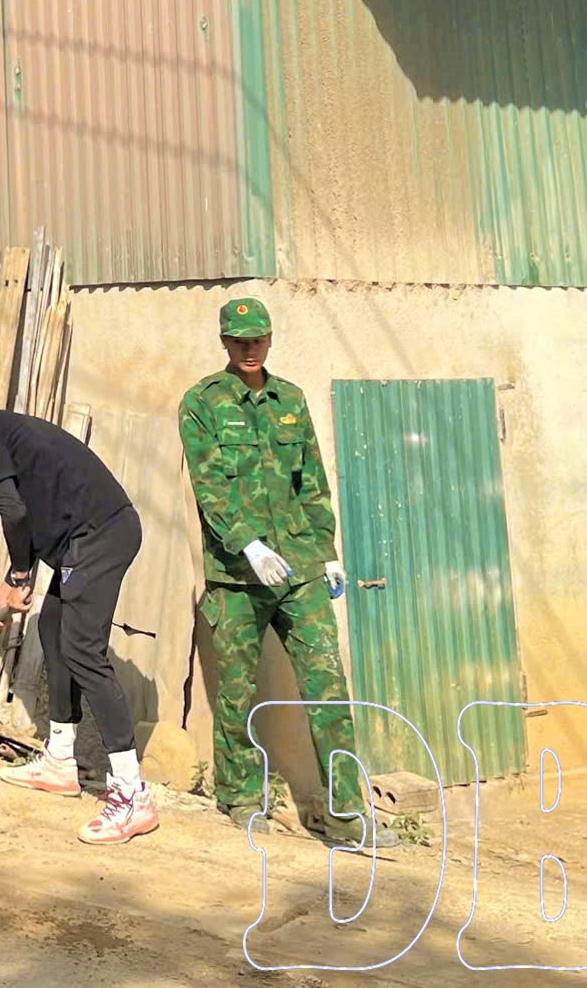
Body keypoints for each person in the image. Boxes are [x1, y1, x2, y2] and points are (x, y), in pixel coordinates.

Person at [0, 379, 156, 846]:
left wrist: (20, 575)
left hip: (100, 535)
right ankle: (60, 760)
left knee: (83, 653)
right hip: (85, 538)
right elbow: (33, 507)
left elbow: (13, 511)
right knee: (54, 630)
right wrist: (12, 581)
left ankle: (131, 792)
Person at [181, 295, 364, 842]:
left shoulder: (291, 399)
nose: (250, 350)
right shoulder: (202, 402)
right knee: (237, 691)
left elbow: (312, 480)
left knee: (328, 686)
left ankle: (347, 811)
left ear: (269, 339)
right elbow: (210, 487)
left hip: (300, 567)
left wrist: (326, 548)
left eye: (258, 339)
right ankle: (239, 795)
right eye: (240, 341)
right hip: (237, 576)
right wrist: (250, 546)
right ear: (224, 342)